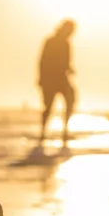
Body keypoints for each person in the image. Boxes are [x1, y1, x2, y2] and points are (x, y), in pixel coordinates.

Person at [37, 19, 77, 147]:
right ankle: (43, 133)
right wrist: (41, 78)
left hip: (61, 78)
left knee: (70, 99)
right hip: (50, 79)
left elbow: (66, 63)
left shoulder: (67, 44)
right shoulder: (50, 41)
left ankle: (64, 131)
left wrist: (70, 69)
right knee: (48, 107)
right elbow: (42, 61)